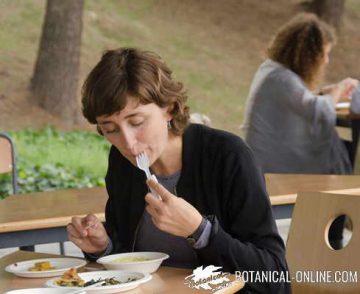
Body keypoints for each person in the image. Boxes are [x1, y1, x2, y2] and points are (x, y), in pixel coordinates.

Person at [67, 48, 290, 293]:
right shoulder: (123, 164)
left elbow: (274, 277)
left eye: (137, 122)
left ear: (169, 108)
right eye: (110, 129)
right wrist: (103, 248)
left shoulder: (228, 156)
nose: (128, 143)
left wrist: (200, 231)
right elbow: (132, 264)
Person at [242, 13, 359, 175]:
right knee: (342, 153)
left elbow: (299, 101)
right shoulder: (282, 80)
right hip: (268, 168)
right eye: (323, 54)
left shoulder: (272, 70)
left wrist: (324, 92)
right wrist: (340, 88)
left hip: (261, 160)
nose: (326, 60)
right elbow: (318, 111)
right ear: (307, 55)